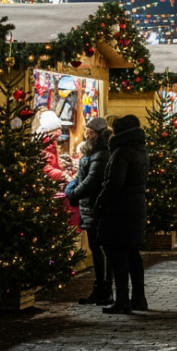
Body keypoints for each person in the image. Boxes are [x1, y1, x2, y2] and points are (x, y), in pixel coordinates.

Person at [96, 115, 150, 314]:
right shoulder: (140, 149)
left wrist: (100, 202)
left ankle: (123, 301)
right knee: (133, 255)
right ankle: (139, 299)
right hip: (135, 207)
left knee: (118, 256)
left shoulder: (121, 152)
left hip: (121, 210)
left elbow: (114, 184)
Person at [66, 116, 113, 306]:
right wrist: (71, 188)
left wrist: (73, 193)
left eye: (89, 131)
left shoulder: (101, 154)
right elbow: (81, 177)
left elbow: (91, 180)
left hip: (96, 208)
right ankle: (101, 288)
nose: (86, 133)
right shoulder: (93, 152)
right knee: (97, 248)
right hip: (90, 208)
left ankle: (105, 289)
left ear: (96, 133)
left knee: (101, 248)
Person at [35, 110, 68, 183]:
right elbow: (45, 167)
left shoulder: (51, 142)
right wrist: (61, 174)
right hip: (48, 184)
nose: (58, 133)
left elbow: (53, 160)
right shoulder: (44, 145)